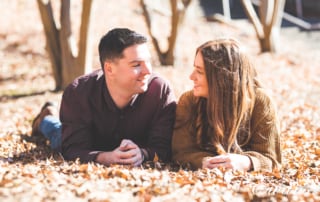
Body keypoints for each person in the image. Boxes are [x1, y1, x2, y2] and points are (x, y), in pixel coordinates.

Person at [32, 28, 176, 166]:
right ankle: (45, 119)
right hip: (91, 144)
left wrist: (143, 154)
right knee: (57, 137)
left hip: (134, 144)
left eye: (148, 62)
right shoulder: (79, 93)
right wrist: (106, 158)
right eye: (136, 64)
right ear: (109, 69)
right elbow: (72, 148)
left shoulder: (160, 91)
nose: (148, 71)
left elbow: (164, 146)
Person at [172, 38, 281, 172]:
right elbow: (180, 151)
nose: (191, 76)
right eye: (194, 68)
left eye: (199, 72)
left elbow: (271, 159)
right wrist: (204, 162)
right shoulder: (189, 101)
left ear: (221, 77)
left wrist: (247, 162)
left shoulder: (261, 102)